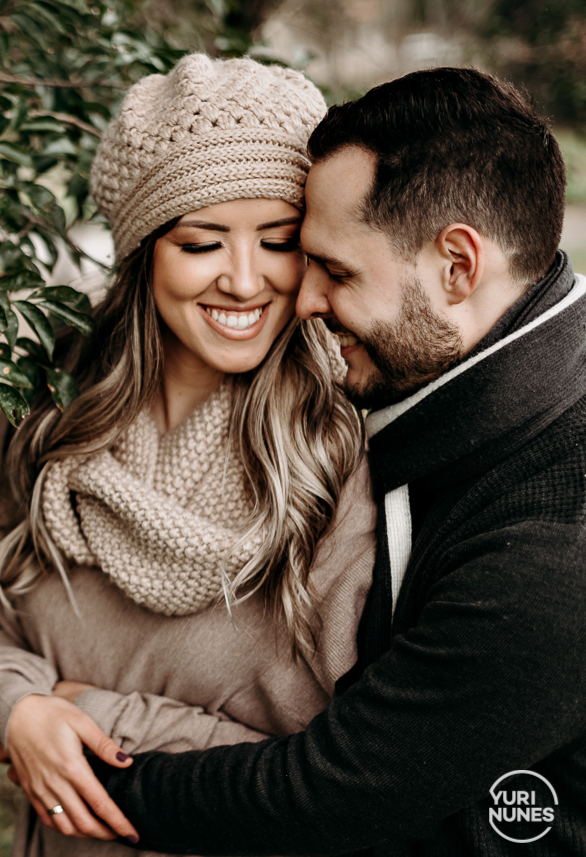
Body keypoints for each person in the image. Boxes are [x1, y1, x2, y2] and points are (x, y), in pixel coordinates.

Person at [76, 67, 586, 855]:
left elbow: (339, 790)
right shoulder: (467, 415)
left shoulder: (553, 544)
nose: (304, 299)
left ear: (458, 266)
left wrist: (87, 762)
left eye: (338, 270)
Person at [0, 54, 377, 856]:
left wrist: (92, 714)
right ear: (145, 251)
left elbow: (345, 768)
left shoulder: (341, 446)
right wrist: (18, 706)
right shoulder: (54, 401)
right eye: (202, 242)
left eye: (279, 241)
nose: (244, 280)